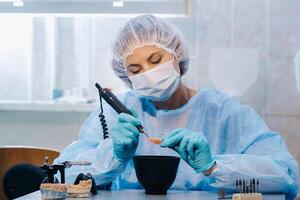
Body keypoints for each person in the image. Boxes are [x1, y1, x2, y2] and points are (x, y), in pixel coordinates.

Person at [54, 14, 299, 199]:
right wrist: (113, 156)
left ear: (177, 54)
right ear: (125, 77)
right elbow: (60, 176)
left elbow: (286, 176)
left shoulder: (225, 114)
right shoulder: (114, 114)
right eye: (135, 70)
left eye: (156, 60)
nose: (149, 74)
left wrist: (214, 166)